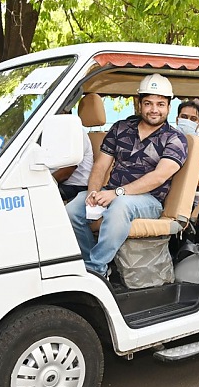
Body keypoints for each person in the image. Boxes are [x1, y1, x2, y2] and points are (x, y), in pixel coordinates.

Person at [66, 74, 188, 277]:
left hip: (149, 200)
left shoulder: (175, 138)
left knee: (120, 206)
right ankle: (93, 265)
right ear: (139, 104)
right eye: (148, 103)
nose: (154, 109)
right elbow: (100, 165)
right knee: (72, 211)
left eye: (160, 104)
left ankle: (94, 269)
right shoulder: (121, 128)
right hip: (112, 191)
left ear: (168, 106)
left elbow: (158, 177)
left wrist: (117, 193)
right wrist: (94, 191)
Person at [53, 130, 93, 200]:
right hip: (61, 183)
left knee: (38, 195)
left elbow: (65, 174)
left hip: (76, 186)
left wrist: (42, 182)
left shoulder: (76, 133)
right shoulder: (54, 132)